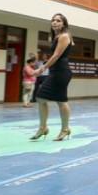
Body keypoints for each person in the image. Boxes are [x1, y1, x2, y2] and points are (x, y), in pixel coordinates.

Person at [29, 13, 74, 142]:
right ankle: (43, 128)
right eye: (53, 20)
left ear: (63, 24)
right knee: (40, 97)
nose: (54, 22)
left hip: (61, 72)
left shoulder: (64, 36)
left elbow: (55, 56)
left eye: (58, 21)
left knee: (61, 101)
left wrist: (41, 69)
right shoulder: (56, 37)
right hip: (55, 72)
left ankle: (65, 129)